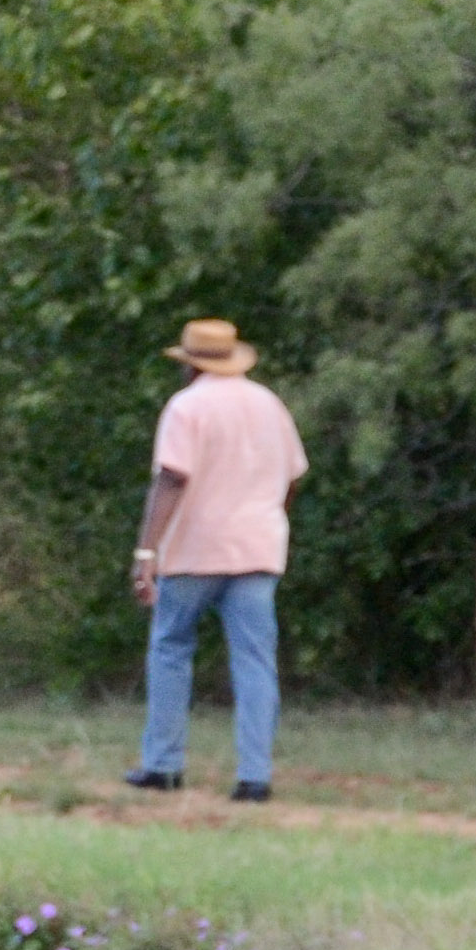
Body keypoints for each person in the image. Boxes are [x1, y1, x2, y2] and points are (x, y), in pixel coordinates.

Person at [126, 318, 308, 801]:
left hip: (194, 549)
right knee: (254, 662)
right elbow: (292, 477)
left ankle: (162, 764)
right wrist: (267, 517)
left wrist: (147, 551)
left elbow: (171, 478)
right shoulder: (269, 404)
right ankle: (255, 776)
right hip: (258, 550)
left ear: (189, 364)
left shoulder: (187, 407)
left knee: (170, 648)